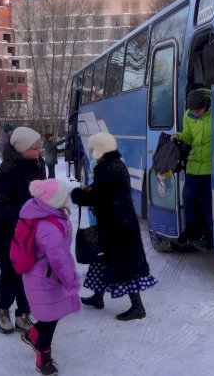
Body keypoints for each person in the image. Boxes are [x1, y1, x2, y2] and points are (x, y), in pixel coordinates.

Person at [70, 132, 157, 321]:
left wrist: (78, 195)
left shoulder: (106, 169)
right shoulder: (116, 164)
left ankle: (137, 307)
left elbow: (97, 197)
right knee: (102, 260)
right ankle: (98, 297)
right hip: (120, 223)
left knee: (125, 266)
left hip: (118, 227)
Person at [0, 126, 46, 334]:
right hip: (5, 230)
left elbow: (42, 194)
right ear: (21, 149)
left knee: (28, 271)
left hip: (30, 229)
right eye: (35, 147)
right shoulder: (6, 171)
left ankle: (23, 314)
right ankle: (1, 309)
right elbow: (1, 206)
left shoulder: (39, 165)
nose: (40, 150)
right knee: (10, 271)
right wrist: (28, 214)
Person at [19, 179, 80, 375]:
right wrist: (71, 281)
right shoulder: (49, 226)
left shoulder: (43, 212)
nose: (67, 199)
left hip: (42, 276)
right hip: (45, 278)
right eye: (64, 197)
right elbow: (58, 259)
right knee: (49, 320)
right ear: (54, 201)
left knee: (52, 315)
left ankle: (33, 334)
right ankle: (43, 360)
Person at [172, 89, 214, 249]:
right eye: (193, 111)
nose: (195, 114)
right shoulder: (189, 115)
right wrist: (180, 136)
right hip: (194, 164)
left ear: (206, 105)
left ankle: (210, 235)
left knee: (206, 203)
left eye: (198, 110)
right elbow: (189, 136)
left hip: (211, 167)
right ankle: (193, 230)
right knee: (188, 199)